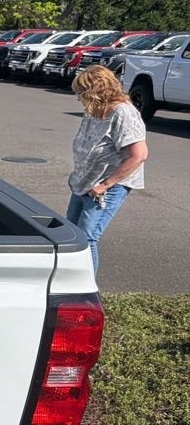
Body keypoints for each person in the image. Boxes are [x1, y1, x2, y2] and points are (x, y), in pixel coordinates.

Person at [67, 65, 149, 272]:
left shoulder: (123, 113)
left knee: (86, 236)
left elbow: (138, 155)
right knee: (71, 234)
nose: (79, 99)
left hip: (107, 186)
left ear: (97, 91)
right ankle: (70, 282)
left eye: (82, 93)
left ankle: (86, 292)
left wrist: (105, 185)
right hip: (85, 181)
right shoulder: (95, 109)